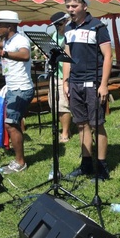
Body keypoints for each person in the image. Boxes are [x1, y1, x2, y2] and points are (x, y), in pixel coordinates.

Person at [62, 0, 112, 181]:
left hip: (93, 82)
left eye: (74, 6)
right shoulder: (68, 29)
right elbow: (67, 57)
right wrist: (66, 81)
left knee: (96, 124)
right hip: (74, 83)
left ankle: (102, 168)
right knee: (81, 125)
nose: (70, 10)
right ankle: (86, 165)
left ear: (84, 6)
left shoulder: (97, 26)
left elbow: (108, 55)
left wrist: (104, 84)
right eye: (68, 7)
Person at [0, 11, 35, 174]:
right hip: (13, 89)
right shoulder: (8, 40)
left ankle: (20, 162)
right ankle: (18, 159)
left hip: (20, 89)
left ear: (9, 26)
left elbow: (25, 55)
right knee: (12, 124)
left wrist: (2, 53)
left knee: (11, 124)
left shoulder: (20, 39)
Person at [48, 12, 72, 142]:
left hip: (65, 76)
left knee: (63, 105)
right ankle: (64, 129)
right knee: (55, 104)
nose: (58, 26)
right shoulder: (54, 35)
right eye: (56, 25)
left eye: (60, 23)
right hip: (56, 74)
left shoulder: (70, 34)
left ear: (66, 21)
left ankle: (65, 134)